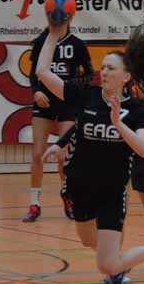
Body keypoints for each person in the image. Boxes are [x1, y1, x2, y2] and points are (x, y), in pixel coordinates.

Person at [32, 15, 144, 284]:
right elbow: (42, 72)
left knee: (107, 264)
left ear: (125, 77)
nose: (104, 72)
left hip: (111, 192)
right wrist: (54, 34)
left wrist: (118, 124)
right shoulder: (85, 94)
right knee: (87, 240)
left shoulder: (136, 110)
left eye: (111, 68)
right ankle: (120, 264)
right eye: (102, 67)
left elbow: (143, 148)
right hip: (79, 186)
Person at [47, 91, 144, 284]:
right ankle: (116, 267)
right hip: (113, 163)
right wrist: (61, 143)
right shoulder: (109, 95)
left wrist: (125, 133)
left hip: (143, 157)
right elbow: (86, 122)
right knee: (102, 230)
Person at [23, 19, 93, 222]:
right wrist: (36, 91)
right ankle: (34, 204)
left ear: (69, 19)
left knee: (63, 155)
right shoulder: (42, 42)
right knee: (38, 154)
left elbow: (89, 74)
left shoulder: (77, 44)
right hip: (44, 101)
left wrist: (71, 87)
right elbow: (33, 73)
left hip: (67, 103)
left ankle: (67, 194)